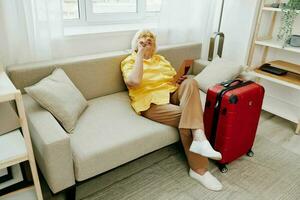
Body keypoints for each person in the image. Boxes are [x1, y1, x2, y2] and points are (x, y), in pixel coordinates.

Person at [121, 29, 223, 191]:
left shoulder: (161, 59)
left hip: (170, 93)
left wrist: (178, 81)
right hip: (151, 102)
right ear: (136, 43)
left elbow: (171, 80)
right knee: (189, 116)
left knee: (190, 83)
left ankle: (199, 136)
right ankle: (199, 169)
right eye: (143, 37)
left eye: (151, 38)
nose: (147, 39)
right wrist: (140, 54)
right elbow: (133, 81)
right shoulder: (130, 61)